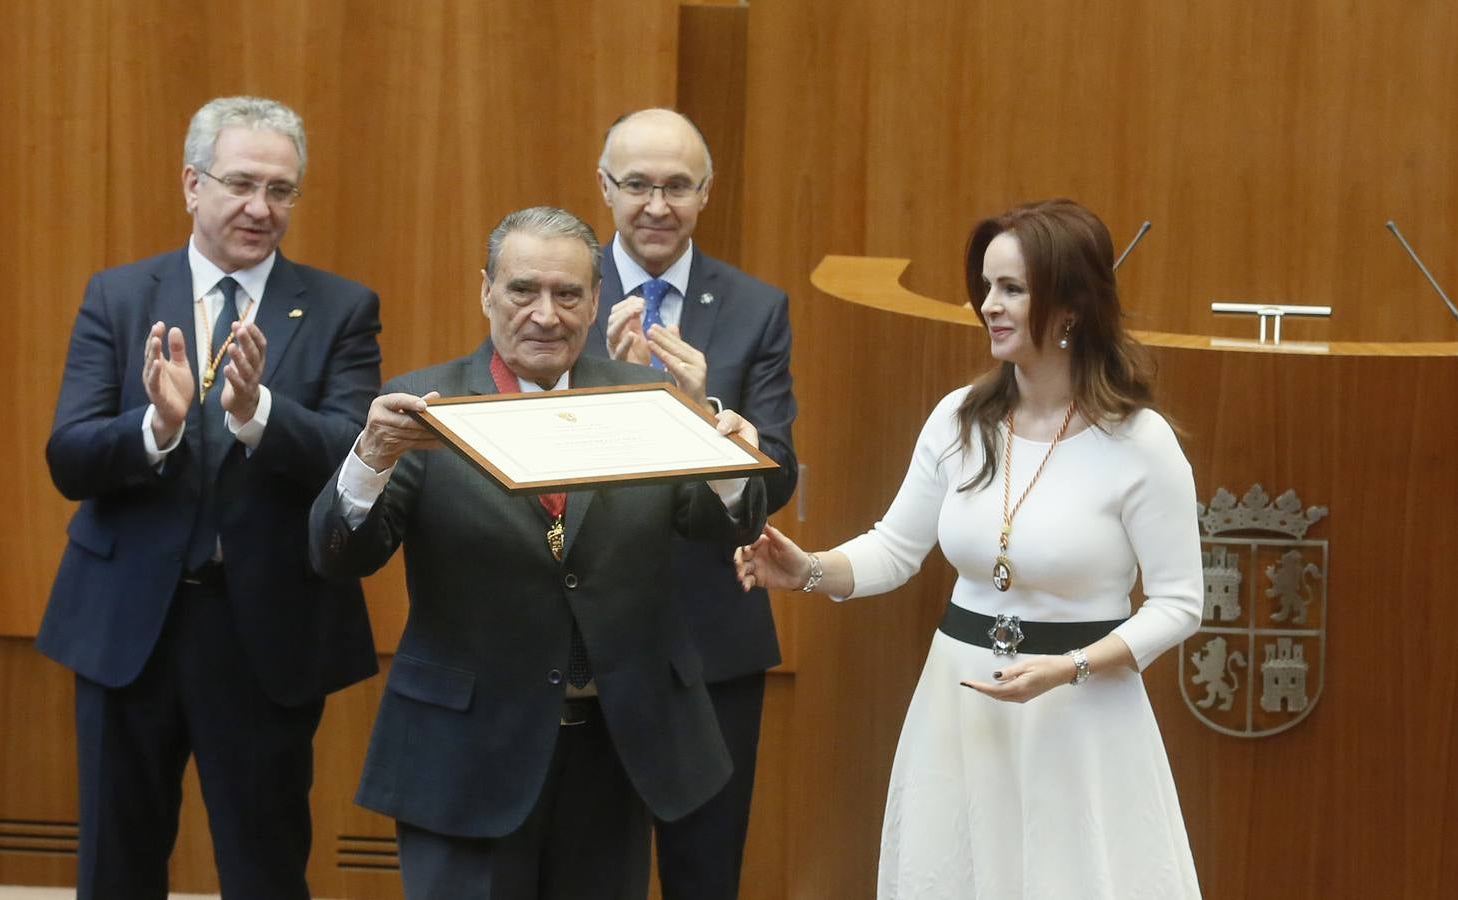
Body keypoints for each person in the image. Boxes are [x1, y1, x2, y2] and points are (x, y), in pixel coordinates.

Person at [735, 198, 1204, 898]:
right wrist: (808, 570)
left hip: (1079, 716)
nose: (989, 305)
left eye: (1012, 289)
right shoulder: (959, 419)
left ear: (1071, 305)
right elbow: (894, 549)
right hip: (959, 705)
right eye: (986, 286)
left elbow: (1179, 604)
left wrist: (1069, 666)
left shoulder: (1140, 441)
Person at [308, 206, 768, 900]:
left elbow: (722, 523)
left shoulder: (645, 399)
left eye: (568, 294)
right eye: (523, 290)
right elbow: (339, 555)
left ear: (596, 301)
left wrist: (722, 455)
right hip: (465, 756)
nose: (545, 315)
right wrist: (369, 459)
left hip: (617, 751)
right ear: (486, 292)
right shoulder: (423, 404)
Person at [39, 96, 382, 898]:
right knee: (116, 868)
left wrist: (257, 413)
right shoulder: (119, 296)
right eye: (241, 183)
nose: (261, 207)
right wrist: (155, 427)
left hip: (264, 629)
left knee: (265, 870)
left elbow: (351, 453)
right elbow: (69, 458)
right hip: (128, 626)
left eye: (281, 190)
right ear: (193, 184)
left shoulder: (341, 308)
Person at [584, 107, 798, 899]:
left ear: (706, 193)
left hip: (711, 636)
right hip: (580, 633)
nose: (656, 205)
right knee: (583, 872)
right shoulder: (559, 294)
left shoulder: (753, 307)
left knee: (704, 874)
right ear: (605, 187)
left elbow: (778, 477)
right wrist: (607, 390)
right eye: (637, 184)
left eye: (677, 186)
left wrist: (702, 416)